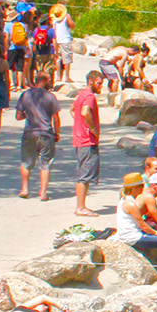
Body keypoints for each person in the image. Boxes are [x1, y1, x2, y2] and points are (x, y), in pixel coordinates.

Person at [111, 173, 157, 270]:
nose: (143, 188)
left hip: (126, 234)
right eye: (141, 186)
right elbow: (143, 225)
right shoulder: (131, 204)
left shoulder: (125, 200)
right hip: (132, 237)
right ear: (135, 188)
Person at [14, 70, 60, 201]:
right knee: (45, 164)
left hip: (29, 132)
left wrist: (28, 114)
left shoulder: (26, 95)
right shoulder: (50, 97)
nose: (51, 82)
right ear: (45, 81)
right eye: (49, 80)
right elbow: (56, 118)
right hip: (45, 133)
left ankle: (24, 189)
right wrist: (57, 133)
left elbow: (18, 116)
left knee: (26, 162)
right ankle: (43, 193)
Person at [68, 69, 103, 216]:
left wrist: (79, 125)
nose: (100, 86)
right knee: (85, 174)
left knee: (84, 171)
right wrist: (92, 129)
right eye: (98, 83)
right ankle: (80, 207)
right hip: (87, 140)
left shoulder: (81, 94)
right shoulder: (89, 96)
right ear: (91, 81)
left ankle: (81, 205)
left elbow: (72, 110)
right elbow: (84, 112)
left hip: (80, 138)